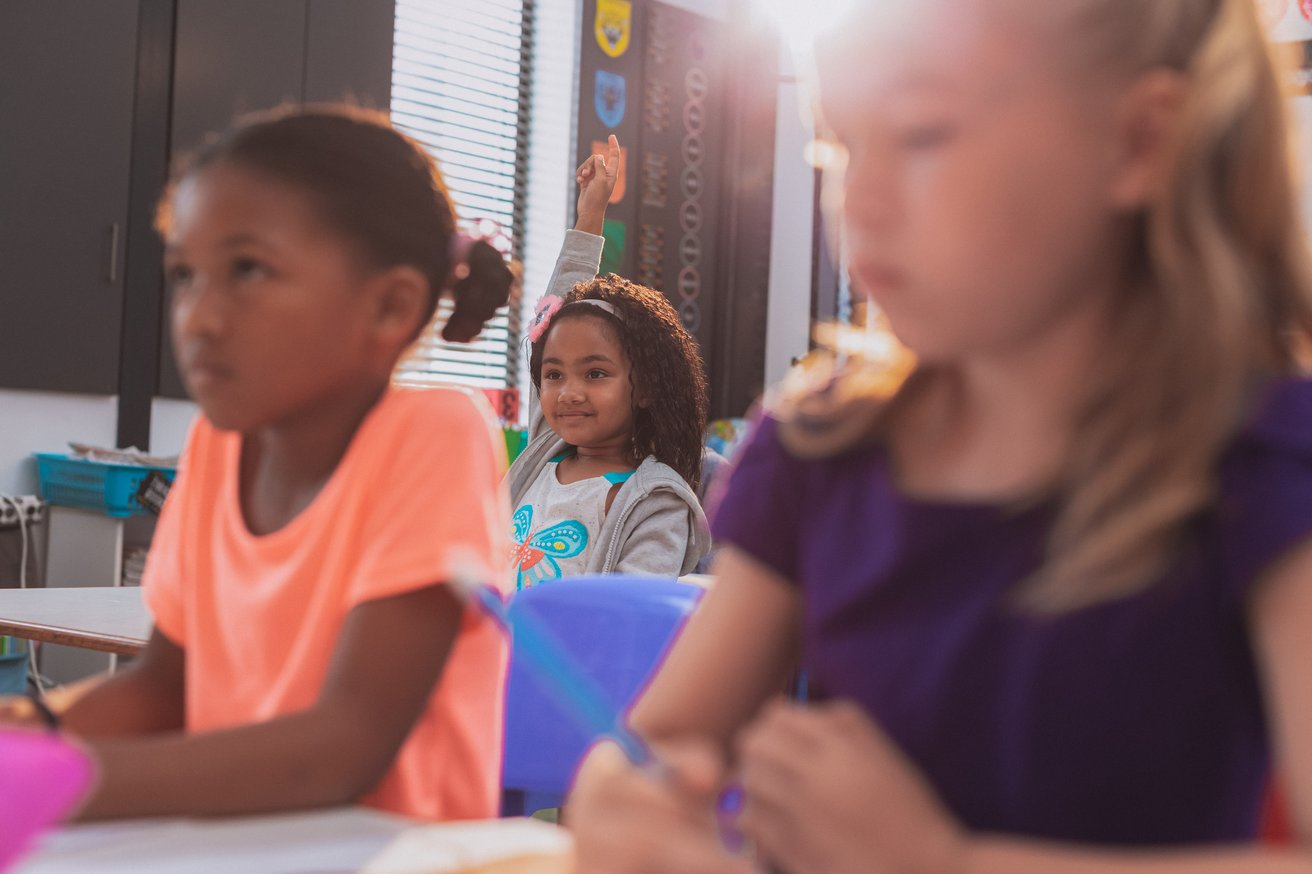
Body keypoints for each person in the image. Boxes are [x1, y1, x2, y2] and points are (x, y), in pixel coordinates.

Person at [568, 0, 1312, 871]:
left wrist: (945, 861)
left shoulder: (1265, 458)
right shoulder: (821, 447)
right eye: (840, 145)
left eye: (922, 136)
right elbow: (652, 752)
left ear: (1140, 144)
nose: (859, 200)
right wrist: (625, 804)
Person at [1, 105, 516, 822]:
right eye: (185, 275)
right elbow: (162, 688)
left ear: (390, 306)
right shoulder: (219, 446)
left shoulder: (435, 434)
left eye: (248, 269)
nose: (197, 317)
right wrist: (34, 733)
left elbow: (340, 749)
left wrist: (52, 782)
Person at [507, 135, 711, 588]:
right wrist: (589, 217)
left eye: (596, 373)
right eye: (553, 374)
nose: (569, 392)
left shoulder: (655, 501)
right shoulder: (545, 448)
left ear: (646, 387)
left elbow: (627, 617)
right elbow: (558, 301)